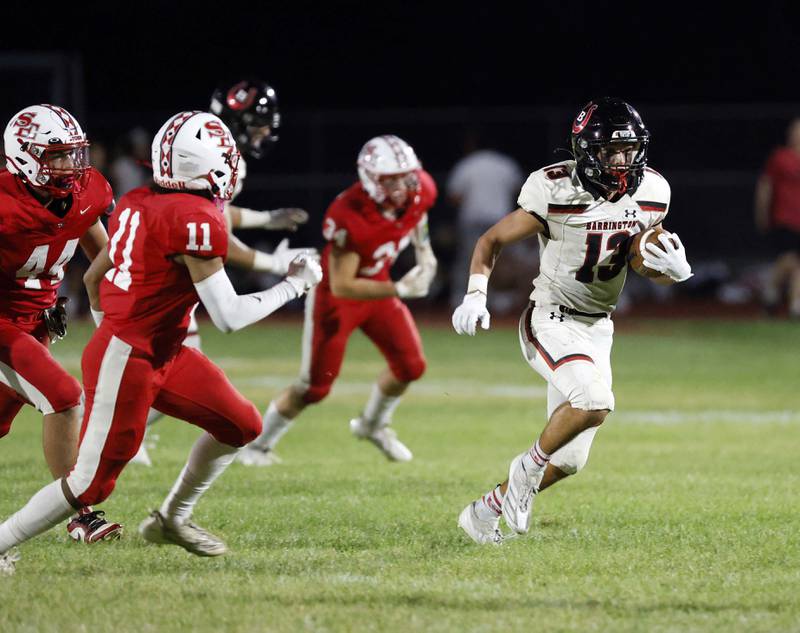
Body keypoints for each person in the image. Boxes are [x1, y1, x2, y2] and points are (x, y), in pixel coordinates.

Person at [0, 111, 322, 575]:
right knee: (90, 484)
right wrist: (293, 284)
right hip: (128, 354)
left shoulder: (136, 199)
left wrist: (105, 321)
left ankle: (173, 517)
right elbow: (229, 317)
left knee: (243, 425)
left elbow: (94, 273)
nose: (71, 164)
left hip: (162, 351)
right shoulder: (194, 218)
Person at [453, 98, 693, 545]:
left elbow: (640, 262)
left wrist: (673, 273)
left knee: (572, 460)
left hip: (598, 327)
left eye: (629, 149)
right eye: (611, 151)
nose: (622, 160)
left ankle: (483, 513)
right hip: (550, 319)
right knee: (595, 401)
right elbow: (492, 239)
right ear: (587, 151)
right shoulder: (554, 188)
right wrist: (475, 295)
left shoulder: (653, 191)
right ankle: (525, 469)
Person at [131, 78, 315, 466]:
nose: (267, 131)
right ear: (244, 120)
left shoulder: (202, 143)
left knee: (162, 366)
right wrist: (277, 266)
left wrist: (265, 220)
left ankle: (124, 432)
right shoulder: (221, 154)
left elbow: (215, 217)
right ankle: (117, 433)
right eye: (262, 122)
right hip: (157, 270)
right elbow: (211, 235)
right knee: (165, 368)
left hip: (143, 250)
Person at [237, 134, 438, 466]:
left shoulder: (421, 190)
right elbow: (344, 285)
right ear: (372, 180)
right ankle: (258, 446)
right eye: (392, 180)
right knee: (314, 388)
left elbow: (419, 217)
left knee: (411, 366)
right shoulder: (349, 212)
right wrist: (400, 290)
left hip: (377, 289)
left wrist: (424, 251)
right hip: (336, 299)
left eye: (407, 176)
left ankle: (372, 425)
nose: (404, 186)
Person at [0, 104, 122, 544]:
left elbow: (96, 241)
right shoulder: (4, 204)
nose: (69, 165)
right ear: (24, 156)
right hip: (3, 322)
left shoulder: (85, 192)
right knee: (65, 397)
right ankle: (80, 512)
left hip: (36, 324)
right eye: (56, 156)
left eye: (73, 154)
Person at [446, 129, 525, 310]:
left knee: (468, 259)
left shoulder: (467, 164)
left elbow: (454, 197)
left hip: (472, 218)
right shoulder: (506, 164)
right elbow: (519, 192)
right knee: (499, 261)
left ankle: (461, 298)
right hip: (500, 219)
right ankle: (497, 300)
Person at [754, 118, 800, 317]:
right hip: (784, 218)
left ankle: (788, 301)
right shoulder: (780, 157)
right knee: (790, 259)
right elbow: (766, 186)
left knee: (796, 263)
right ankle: (774, 293)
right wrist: (762, 212)